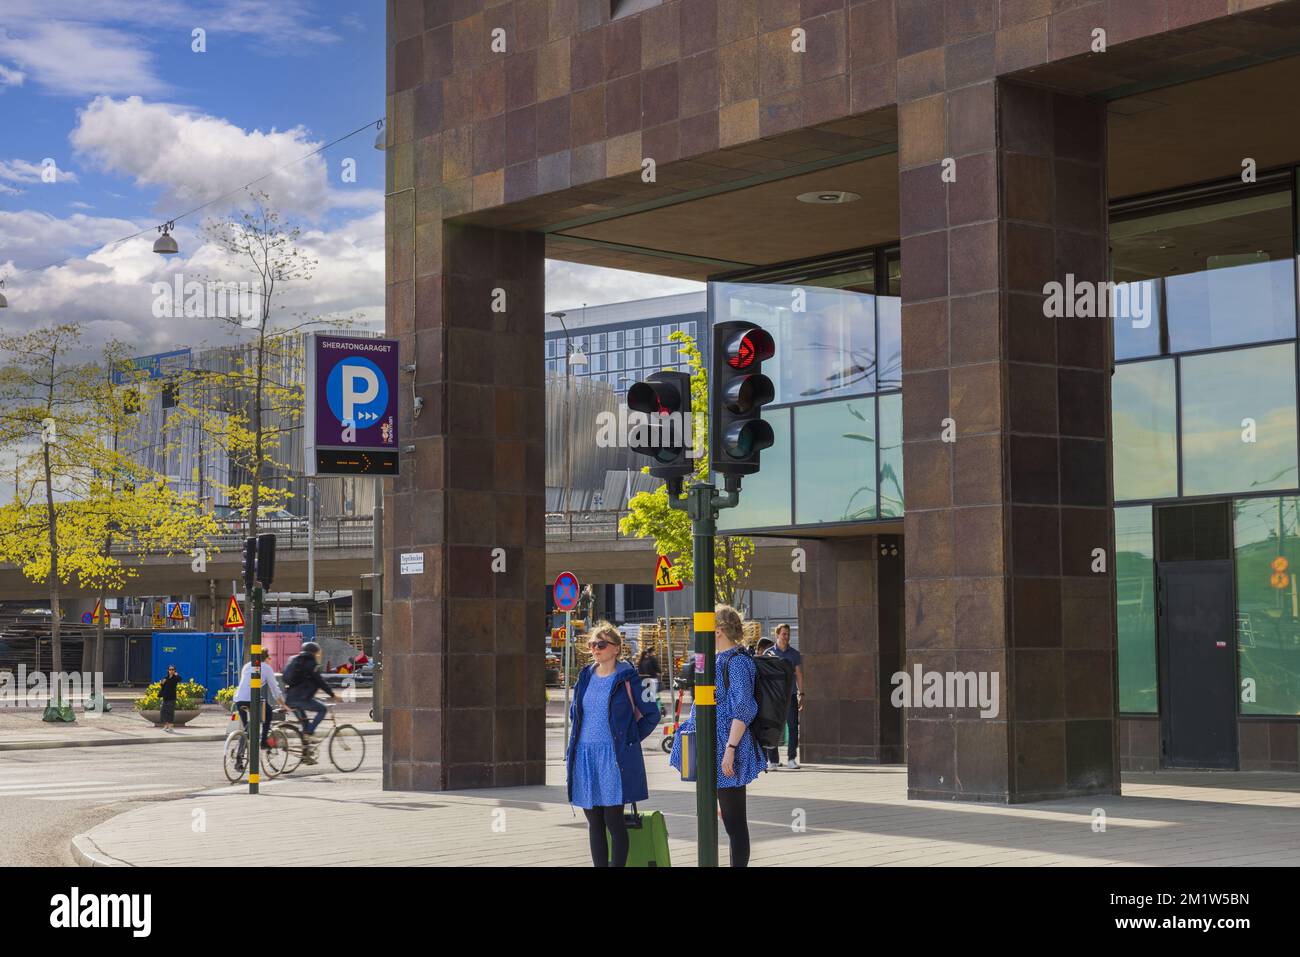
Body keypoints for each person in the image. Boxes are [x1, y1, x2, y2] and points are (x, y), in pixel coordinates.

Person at [669, 605, 764, 867]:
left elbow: (743, 707)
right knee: (719, 816)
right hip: (712, 745)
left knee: (734, 822)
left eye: (706, 629)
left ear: (718, 630)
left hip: (726, 745)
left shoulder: (737, 662)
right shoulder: (714, 658)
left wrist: (731, 748)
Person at [566, 622, 660, 867]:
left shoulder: (629, 679)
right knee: (594, 821)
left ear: (616, 648)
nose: (595, 648)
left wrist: (629, 739)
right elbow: (575, 713)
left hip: (613, 757)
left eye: (601, 644)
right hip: (585, 756)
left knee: (613, 821)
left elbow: (653, 714)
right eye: (592, 644)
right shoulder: (585, 677)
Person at [282, 641, 337, 743]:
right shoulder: (312, 663)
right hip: (301, 699)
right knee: (323, 709)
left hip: (289, 699)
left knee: (305, 723)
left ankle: (305, 754)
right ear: (314, 653)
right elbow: (320, 681)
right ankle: (310, 733)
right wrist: (332, 694)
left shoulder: (293, 660)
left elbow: (285, 677)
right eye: (318, 653)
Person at [766, 623, 804, 769]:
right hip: (773, 698)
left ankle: (791, 759)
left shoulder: (794, 654)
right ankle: (773, 760)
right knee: (771, 728)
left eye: (788, 634)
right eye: (783, 634)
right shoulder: (769, 653)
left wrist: (802, 693)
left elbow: (799, 674)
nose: (786, 637)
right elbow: (764, 675)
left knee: (793, 727)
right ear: (777, 635)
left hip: (790, 696)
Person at [233, 655, 283, 749]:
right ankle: (264, 741)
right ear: (265, 658)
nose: (270, 660)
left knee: (247, 730)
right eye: (269, 658)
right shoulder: (266, 668)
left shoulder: (248, 665)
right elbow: (275, 689)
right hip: (251, 699)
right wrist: (283, 704)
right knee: (268, 711)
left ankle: (239, 758)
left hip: (239, 699)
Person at [637, 645, 662, 716]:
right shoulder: (652, 659)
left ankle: (645, 713)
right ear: (652, 651)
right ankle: (654, 713)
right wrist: (659, 672)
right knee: (653, 697)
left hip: (643, 681)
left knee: (645, 698)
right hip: (652, 680)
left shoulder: (641, 661)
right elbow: (657, 669)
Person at [158, 665, 182, 732]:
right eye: (170, 669)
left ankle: (171, 727)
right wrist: (162, 683)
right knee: (163, 712)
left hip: (172, 698)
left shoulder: (175, 678)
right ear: (168, 670)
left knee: (170, 712)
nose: (171, 671)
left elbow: (180, 679)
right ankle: (166, 726)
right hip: (165, 697)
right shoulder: (165, 678)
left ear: (174, 671)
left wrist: (177, 675)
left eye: (172, 669)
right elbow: (163, 687)